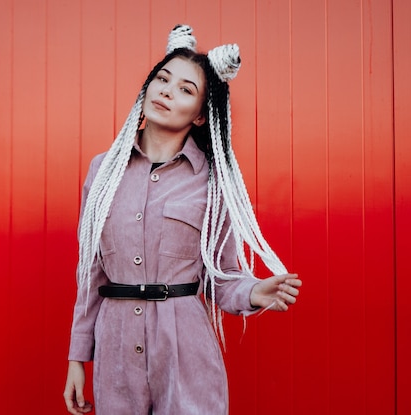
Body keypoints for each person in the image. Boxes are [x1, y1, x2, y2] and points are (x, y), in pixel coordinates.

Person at [63, 25, 302, 415]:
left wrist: (252, 292)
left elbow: (220, 274)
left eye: (186, 89)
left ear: (200, 117)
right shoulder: (102, 171)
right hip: (115, 352)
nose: (167, 90)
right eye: (162, 78)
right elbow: (90, 271)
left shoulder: (212, 182)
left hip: (185, 352)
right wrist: (77, 358)